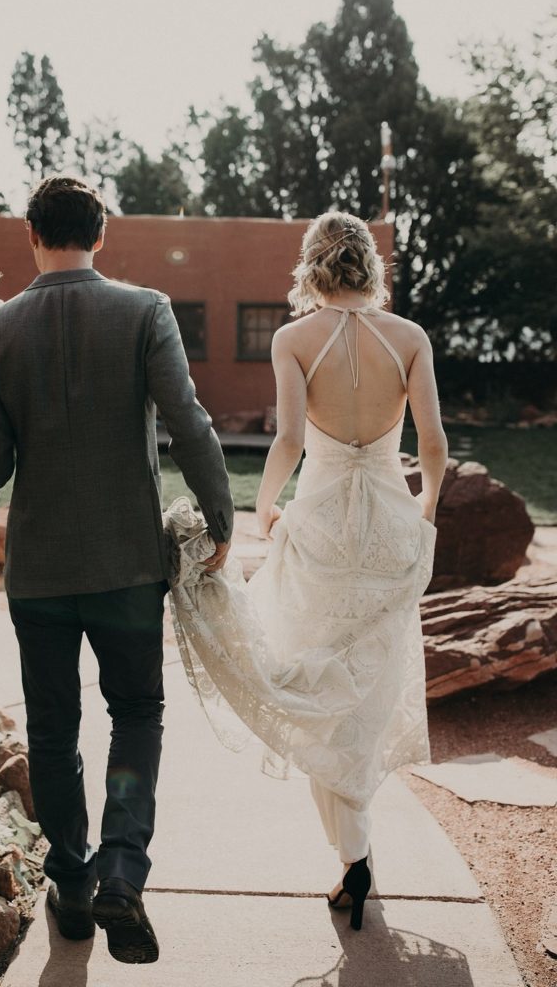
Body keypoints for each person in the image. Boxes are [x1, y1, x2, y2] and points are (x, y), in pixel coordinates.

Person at [0, 175, 233, 964]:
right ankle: (123, 871)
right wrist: (219, 519)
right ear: (99, 235)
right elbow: (189, 422)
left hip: (38, 573)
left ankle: (71, 886)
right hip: (125, 565)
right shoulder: (145, 310)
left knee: (52, 729)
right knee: (136, 713)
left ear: (33, 237)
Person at [167, 210, 447, 933]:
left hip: (321, 523)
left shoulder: (294, 338)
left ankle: (354, 859)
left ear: (312, 266)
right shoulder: (410, 338)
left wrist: (266, 507)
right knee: (368, 683)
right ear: (370, 266)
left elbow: (289, 440)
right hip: (389, 523)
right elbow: (437, 447)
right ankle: (356, 851)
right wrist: (426, 517)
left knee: (310, 668)